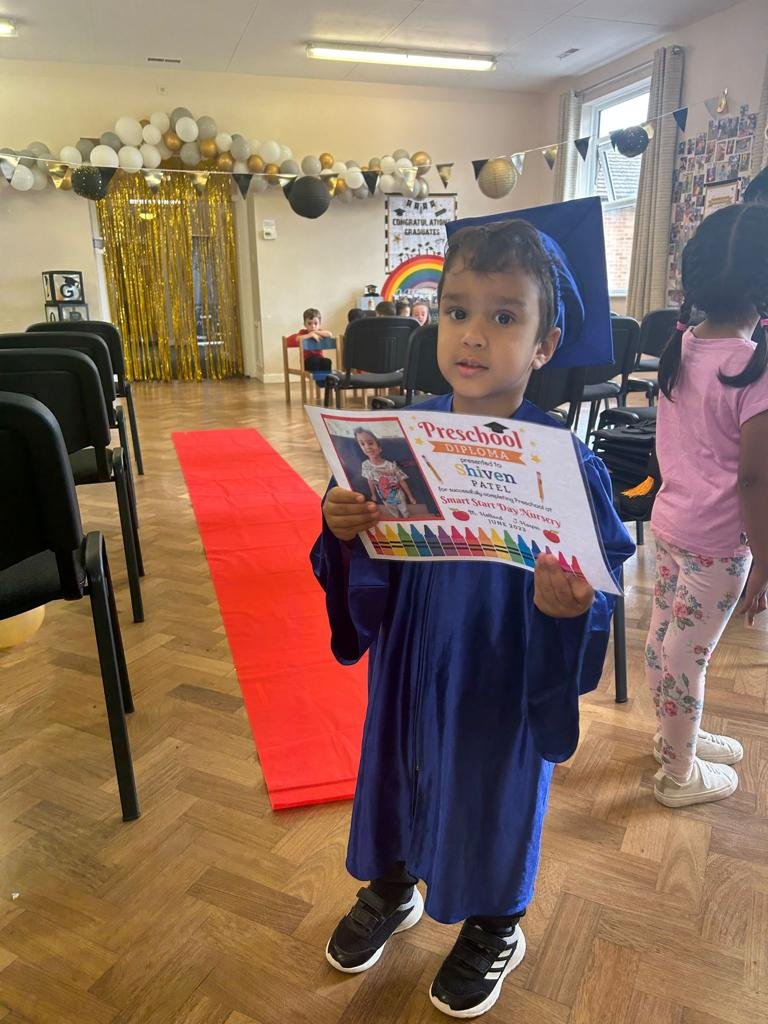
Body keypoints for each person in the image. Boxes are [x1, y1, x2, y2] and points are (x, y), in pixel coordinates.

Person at [311, 218, 634, 1018]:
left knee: (495, 785)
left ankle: (496, 923)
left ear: (545, 344)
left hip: (503, 661)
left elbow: (597, 578)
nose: (474, 335)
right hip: (412, 650)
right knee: (397, 763)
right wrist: (341, 526)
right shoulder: (397, 435)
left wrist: (570, 608)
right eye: (457, 310)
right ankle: (393, 885)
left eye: (504, 316)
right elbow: (360, 549)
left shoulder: (567, 460)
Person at [646, 202, 768, 809]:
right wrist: (765, 561)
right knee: (686, 655)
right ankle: (679, 774)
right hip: (719, 545)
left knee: (665, 644)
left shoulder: (684, 344)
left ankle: (674, 740)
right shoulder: (752, 368)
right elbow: (754, 480)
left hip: (671, 525)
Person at [354, 427, 416, 519]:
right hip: (384, 496)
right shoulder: (366, 465)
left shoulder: (391, 465)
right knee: (393, 513)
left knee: (404, 511)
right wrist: (373, 494)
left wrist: (410, 496)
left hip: (398, 495)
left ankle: (406, 518)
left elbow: (402, 481)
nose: (367, 447)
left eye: (370, 443)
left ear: (379, 448)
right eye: (362, 444)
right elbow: (370, 481)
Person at [287, 307, 334, 374]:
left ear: (319, 324)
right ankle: (316, 379)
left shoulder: (320, 332)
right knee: (314, 361)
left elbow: (329, 334)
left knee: (327, 361)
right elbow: (290, 340)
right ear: (305, 324)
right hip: (307, 361)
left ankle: (325, 379)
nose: (313, 326)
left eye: (315, 323)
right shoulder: (303, 333)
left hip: (319, 359)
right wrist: (309, 335)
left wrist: (314, 332)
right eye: (309, 323)